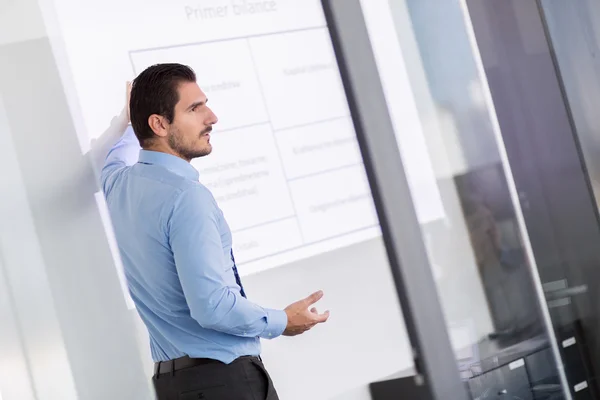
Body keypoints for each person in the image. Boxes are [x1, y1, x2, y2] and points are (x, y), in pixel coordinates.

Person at [94, 63, 329, 400]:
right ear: (159, 124)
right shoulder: (186, 197)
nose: (212, 117)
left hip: (172, 386)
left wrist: (131, 123)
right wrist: (282, 321)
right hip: (225, 384)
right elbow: (212, 307)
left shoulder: (118, 185)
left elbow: (114, 157)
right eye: (195, 108)